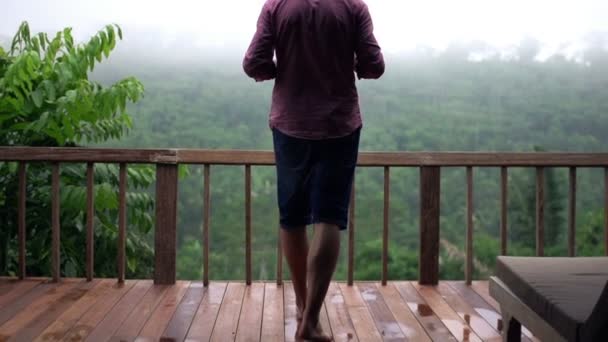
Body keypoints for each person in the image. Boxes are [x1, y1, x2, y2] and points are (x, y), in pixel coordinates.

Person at [243, 0, 384, 340]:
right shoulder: (353, 7)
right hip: (340, 125)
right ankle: (312, 318)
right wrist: (349, 64)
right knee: (329, 218)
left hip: (290, 125)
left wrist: (282, 68)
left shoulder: (277, 6)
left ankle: (303, 305)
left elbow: (253, 62)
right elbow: (374, 64)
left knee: (292, 219)